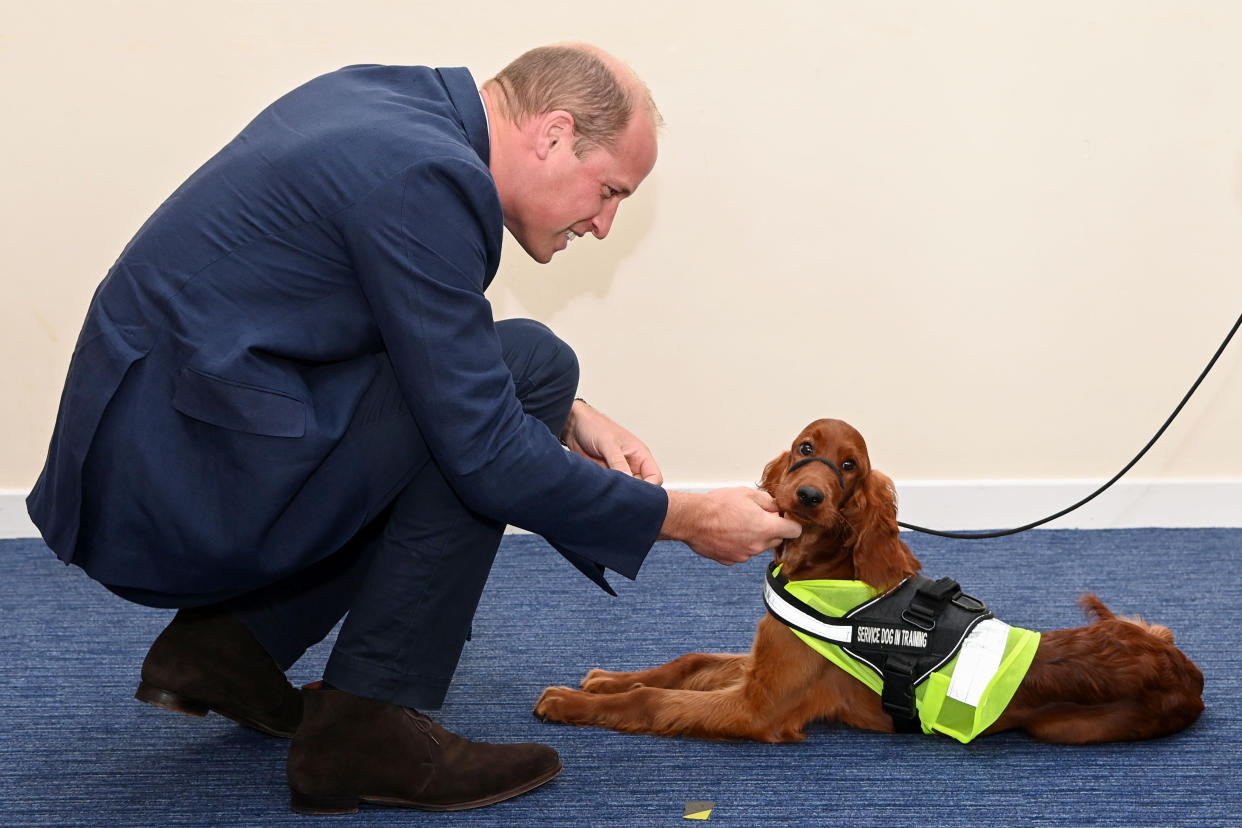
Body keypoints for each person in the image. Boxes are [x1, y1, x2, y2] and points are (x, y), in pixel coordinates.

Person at [27, 43, 800, 814]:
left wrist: (572, 416)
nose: (603, 225)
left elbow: (410, 322)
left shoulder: (391, 105)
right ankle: (367, 727)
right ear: (555, 133)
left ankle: (232, 647)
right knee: (510, 395)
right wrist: (686, 519)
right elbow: (488, 454)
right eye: (608, 191)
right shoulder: (428, 178)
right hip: (186, 481)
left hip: (159, 439)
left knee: (533, 372)